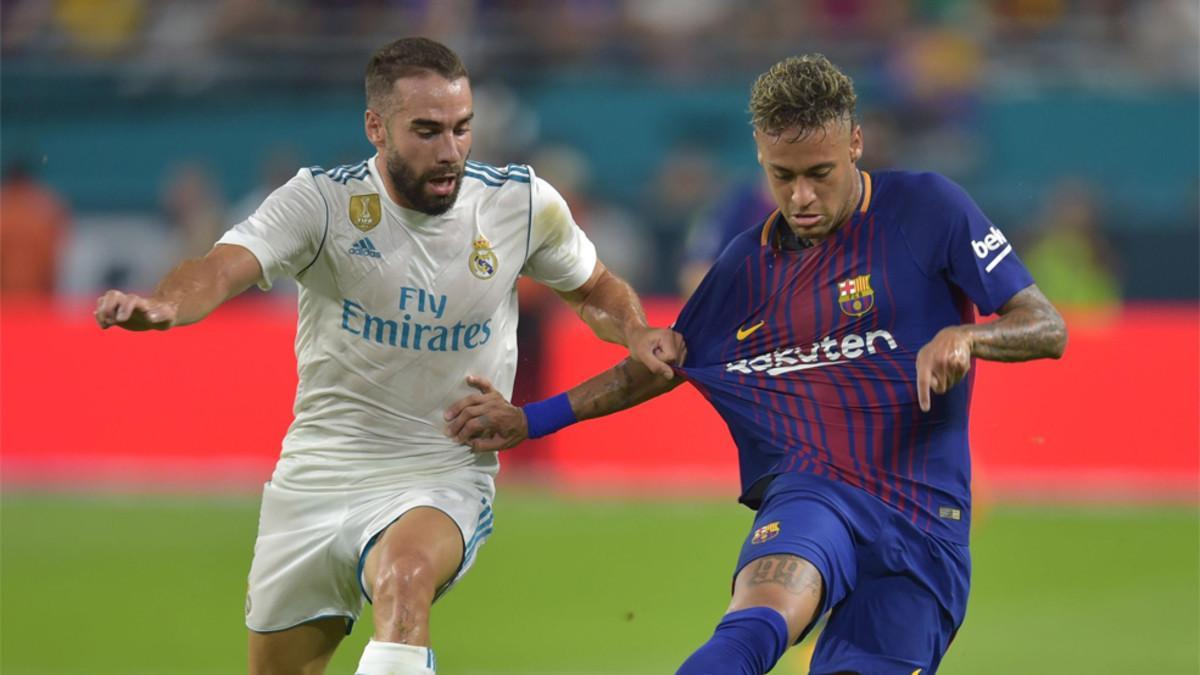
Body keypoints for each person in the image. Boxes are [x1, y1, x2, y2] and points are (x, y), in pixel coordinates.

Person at [444, 53, 1067, 674]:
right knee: (758, 618)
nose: (801, 197)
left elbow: (1046, 327)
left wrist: (968, 338)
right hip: (813, 491)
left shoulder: (929, 209)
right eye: (782, 176)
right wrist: (531, 421)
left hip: (923, 524)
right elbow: (659, 367)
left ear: (855, 143)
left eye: (820, 173)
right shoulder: (749, 262)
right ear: (761, 158)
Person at [94, 37, 681, 675]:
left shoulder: (519, 203)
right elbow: (219, 268)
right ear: (376, 127)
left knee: (405, 579)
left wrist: (634, 329)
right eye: (426, 131)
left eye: (462, 128)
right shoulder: (321, 203)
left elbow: (593, 288)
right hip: (318, 472)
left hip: (441, 470)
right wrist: (167, 304)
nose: (450, 150)